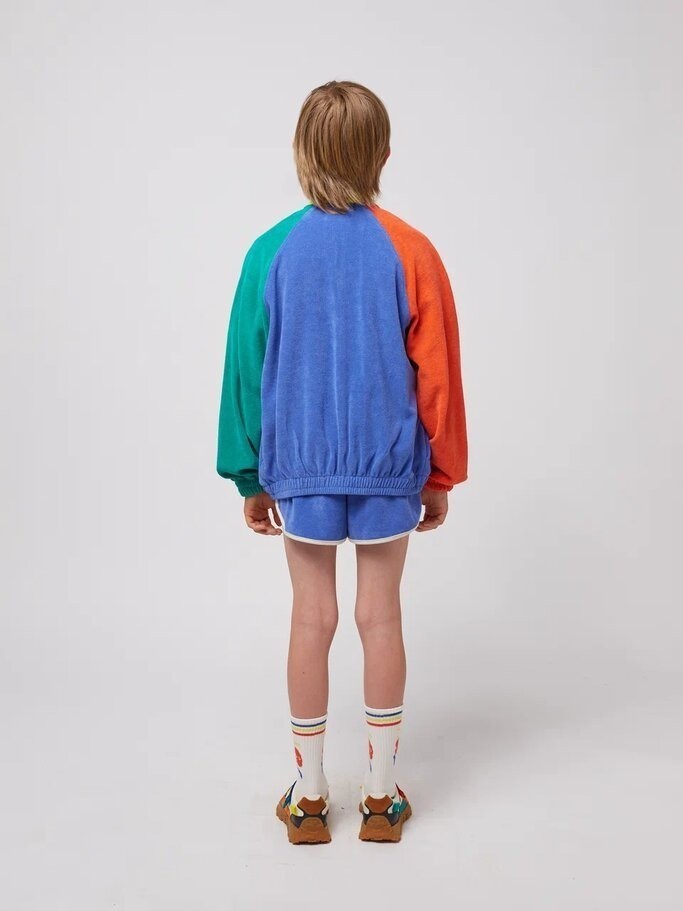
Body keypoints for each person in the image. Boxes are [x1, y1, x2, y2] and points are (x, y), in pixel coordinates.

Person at [217, 80, 468, 844]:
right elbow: (437, 373)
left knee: (312, 615)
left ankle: (309, 792)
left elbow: (244, 369)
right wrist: (439, 473)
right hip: (387, 465)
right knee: (379, 615)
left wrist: (250, 473)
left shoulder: (269, 251)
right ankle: (381, 795)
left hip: (302, 469)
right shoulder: (411, 250)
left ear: (301, 153)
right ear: (382, 155)